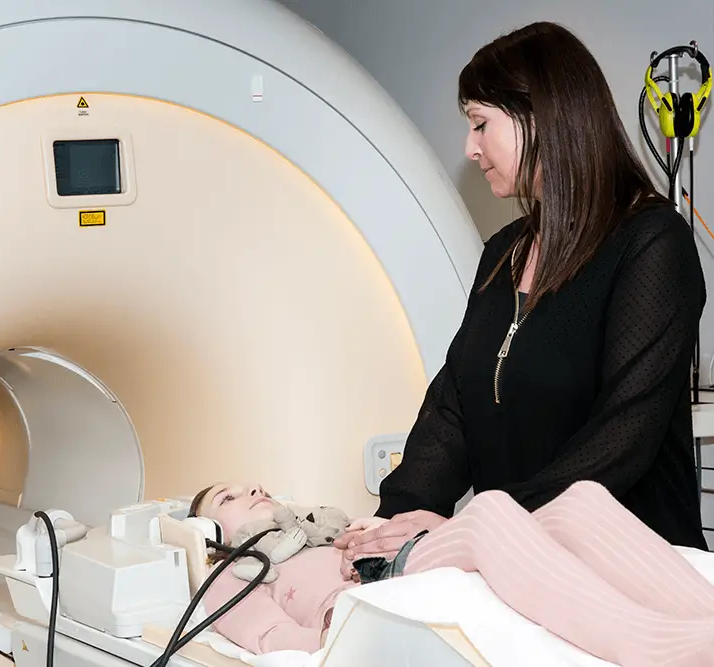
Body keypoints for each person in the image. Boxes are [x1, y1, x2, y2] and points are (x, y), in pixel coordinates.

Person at [337, 20, 708, 566]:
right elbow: (454, 408)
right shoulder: (503, 252)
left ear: (539, 116)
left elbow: (620, 441)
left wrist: (465, 535)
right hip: (515, 564)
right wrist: (389, 527)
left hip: (634, 570)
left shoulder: (652, 244)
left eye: (480, 123)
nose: (469, 147)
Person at [190, 481, 714, 666]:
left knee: (582, 501)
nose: (253, 491)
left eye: (255, 485)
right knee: (487, 512)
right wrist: (331, 625)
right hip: (379, 587)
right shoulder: (236, 574)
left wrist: (397, 527)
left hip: (409, 553)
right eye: (229, 497)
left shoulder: (330, 524)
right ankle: (652, 648)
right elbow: (270, 636)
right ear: (209, 532)